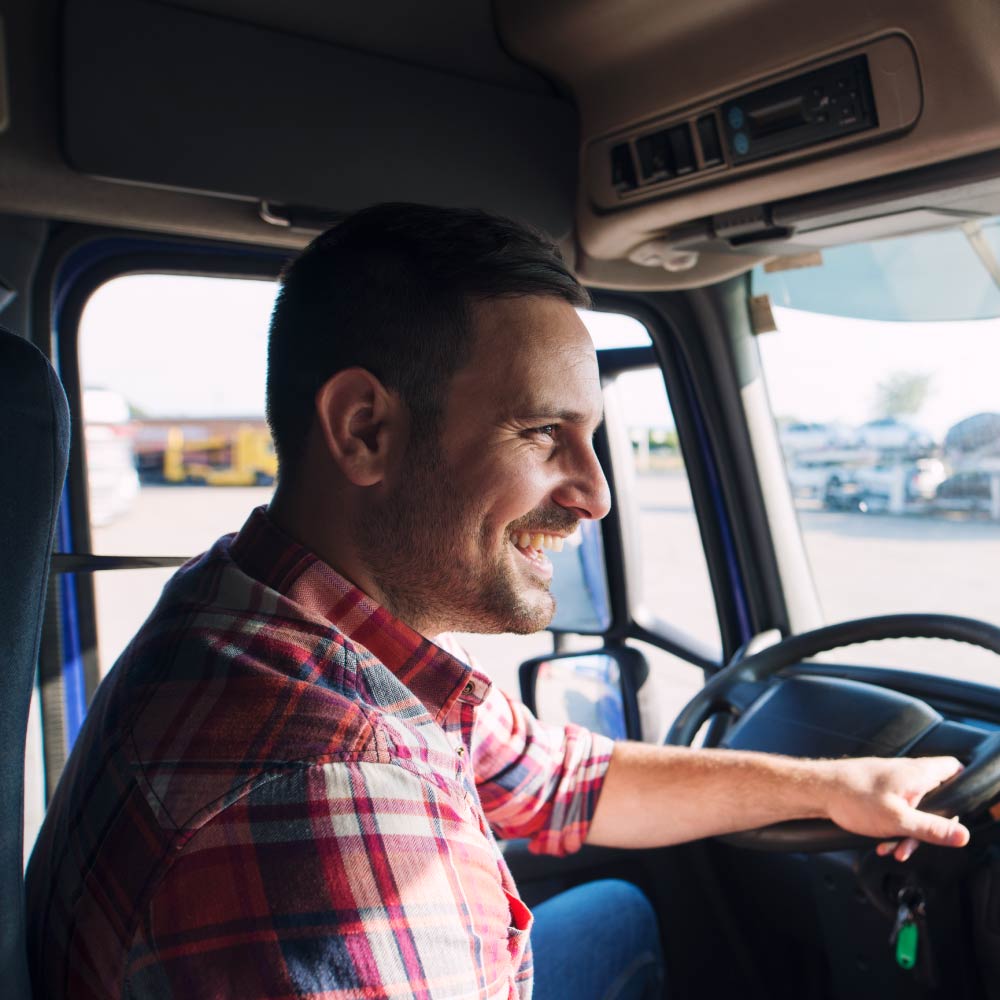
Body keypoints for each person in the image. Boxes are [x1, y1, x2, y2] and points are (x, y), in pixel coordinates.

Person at [26, 203, 969, 1000]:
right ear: (365, 431)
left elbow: (558, 778)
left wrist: (841, 786)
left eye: (591, 436)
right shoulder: (333, 803)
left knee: (618, 910)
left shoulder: (263, 604)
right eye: (542, 432)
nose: (595, 492)